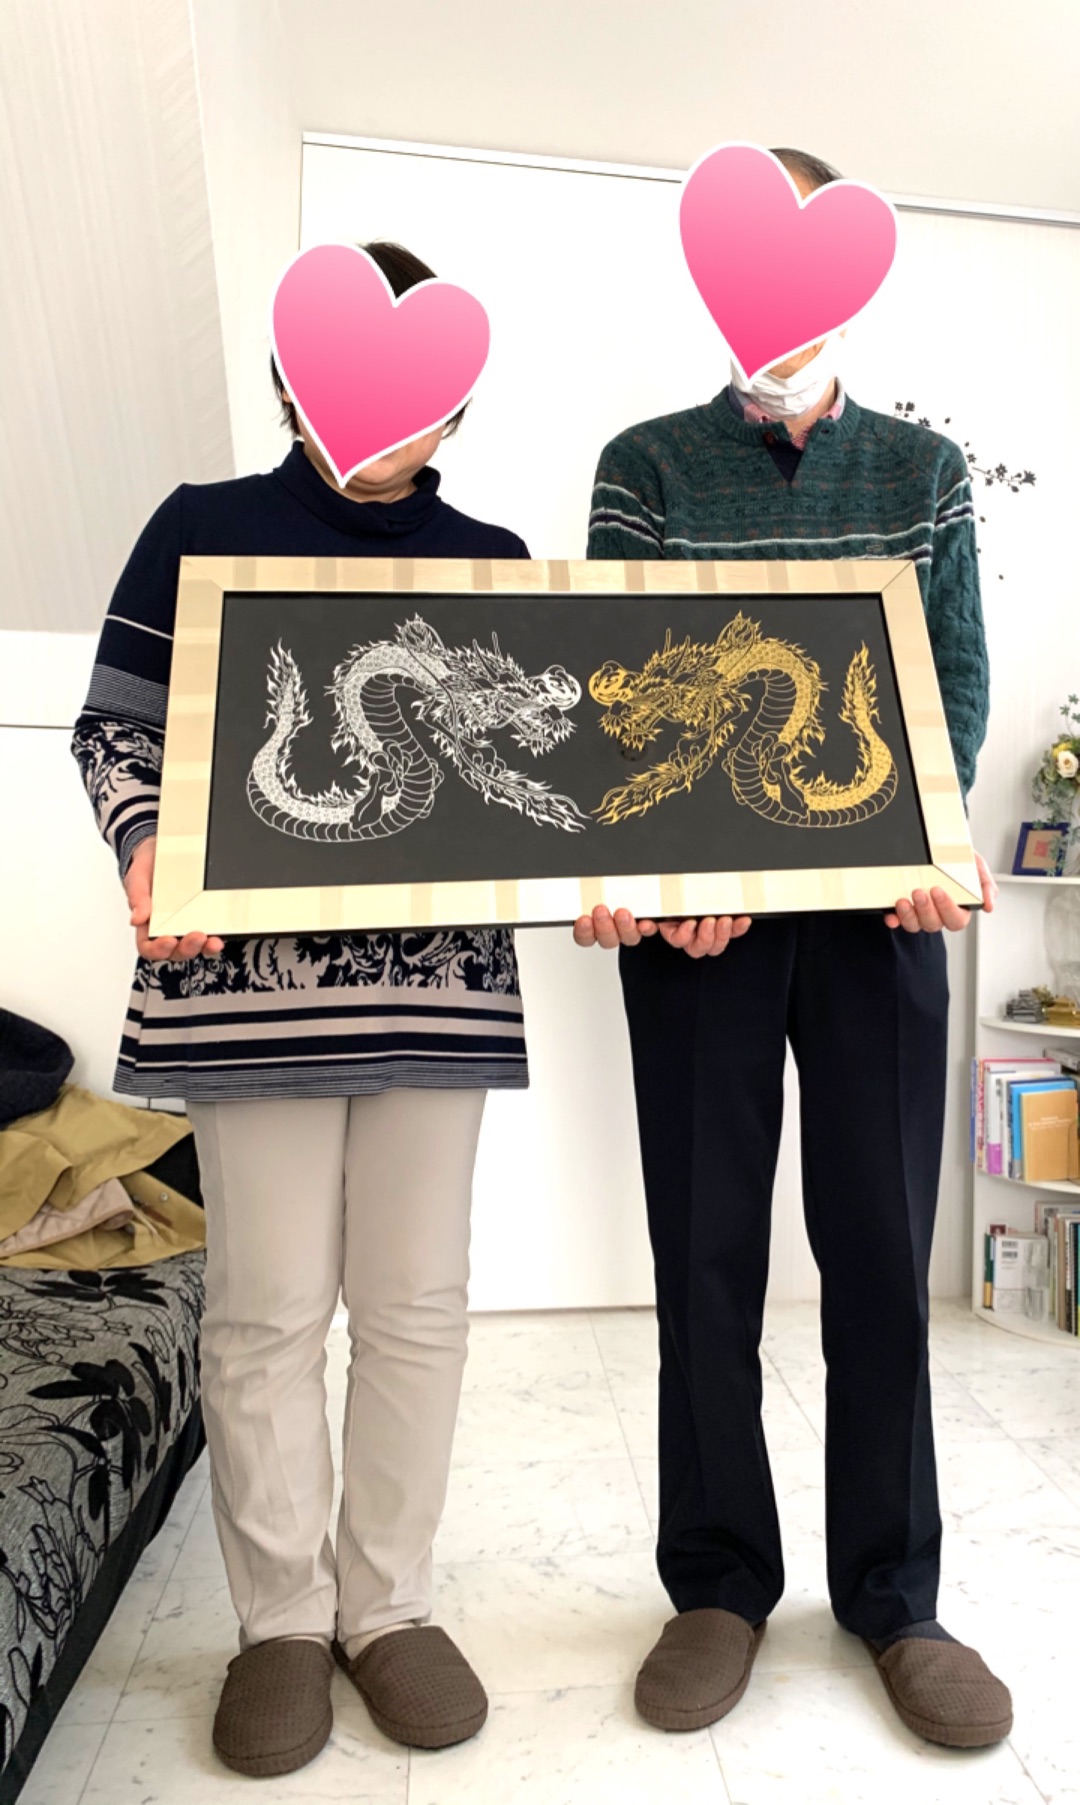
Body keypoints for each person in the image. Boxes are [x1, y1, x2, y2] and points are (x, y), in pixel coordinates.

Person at [73, 242, 529, 1777]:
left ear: (454, 408)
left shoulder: (495, 559)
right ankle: (281, 1621)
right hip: (244, 997)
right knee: (266, 1309)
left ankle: (386, 1606)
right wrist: (147, 843)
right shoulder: (198, 529)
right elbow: (117, 725)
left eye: (421, 396)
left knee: (416, 1305)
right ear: (290, 380)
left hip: (437, 991)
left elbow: (542, 776)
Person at [576, 148, 1012, 1750]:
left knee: (882, 1251)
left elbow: (952, 681)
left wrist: (926, 846)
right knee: (704, 1250)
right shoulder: (647, 467)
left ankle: (897, 1595)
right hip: (703, 927)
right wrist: (655, 869)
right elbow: (620, 681)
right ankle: (716, 1582)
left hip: (880, 916)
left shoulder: (924, 470)